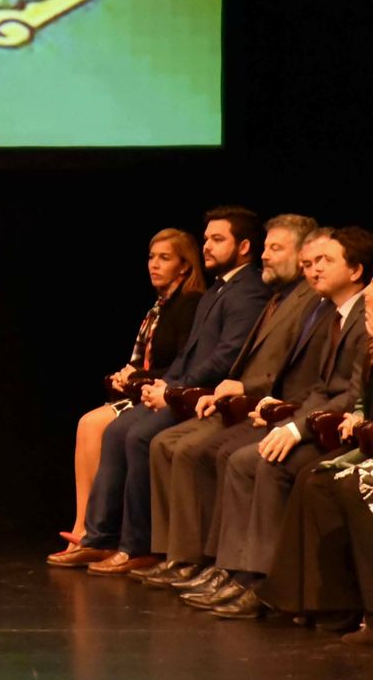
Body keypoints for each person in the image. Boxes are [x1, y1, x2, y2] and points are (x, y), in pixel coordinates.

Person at [52, 206, 271, 574]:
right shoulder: (220, 289)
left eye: (218, 239)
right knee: (121, 429)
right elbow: (190, 353)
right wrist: (161, 384)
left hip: (205, 396)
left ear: (245, 246)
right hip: (182, 389)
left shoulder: (247, 291)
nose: (207, 246)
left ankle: (137, 545)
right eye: (206, 239)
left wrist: (172, 388)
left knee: (138, 435)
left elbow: (225, 355)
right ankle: (99, 537)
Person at [191, 226, 371, 618]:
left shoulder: (362, 313)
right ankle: (237, 572)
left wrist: (296, 426)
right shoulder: (336, 314)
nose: (314, 269)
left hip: (342, 427)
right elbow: (323, 388)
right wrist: (291, 417)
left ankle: (263, 584)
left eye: (325, 260)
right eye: (310, 262)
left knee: (267, 462)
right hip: (321, 416)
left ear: (355, 270)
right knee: (244, 457)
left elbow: (350, 395)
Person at [135, 214, 322, 588]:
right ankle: (184, 556)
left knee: (207, 452)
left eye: (275, 248)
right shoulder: (276, 296)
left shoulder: (304, 300)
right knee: (167, 442)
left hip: (278, 410)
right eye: (266, 247)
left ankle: (229, 569)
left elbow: (289, 372)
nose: (265, 256)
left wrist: (241, 390)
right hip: (251, 403)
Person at [54, 229, 204, 553]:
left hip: (164, 394)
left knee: (93, 425)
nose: (154, 264)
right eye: (151, 257)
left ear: (185, 265)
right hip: (141, 390)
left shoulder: (189, 304)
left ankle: (92, 532)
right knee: (88, 423)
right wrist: (127, 374)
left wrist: (139, 377)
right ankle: (84, 527)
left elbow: (183, 363)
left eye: (165, 258)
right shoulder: (158, 307)